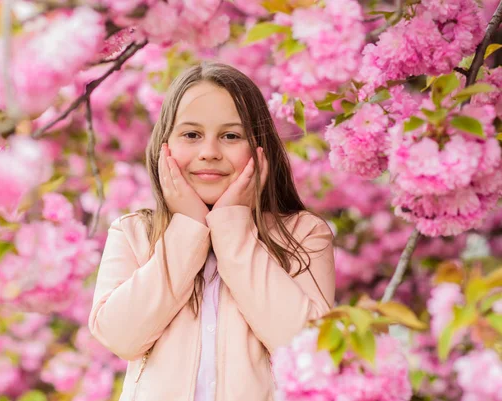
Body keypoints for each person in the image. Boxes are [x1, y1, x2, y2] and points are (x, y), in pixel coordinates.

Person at [88, 61, 336, 401]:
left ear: (260, 148)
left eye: (231, 136)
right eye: (191, 135)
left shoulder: (304, 234)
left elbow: (306, 344)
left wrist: (232, 228)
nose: (209, 153)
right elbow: (121, 336)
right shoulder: (134, 233)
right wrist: (188, 228)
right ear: (165, 146)